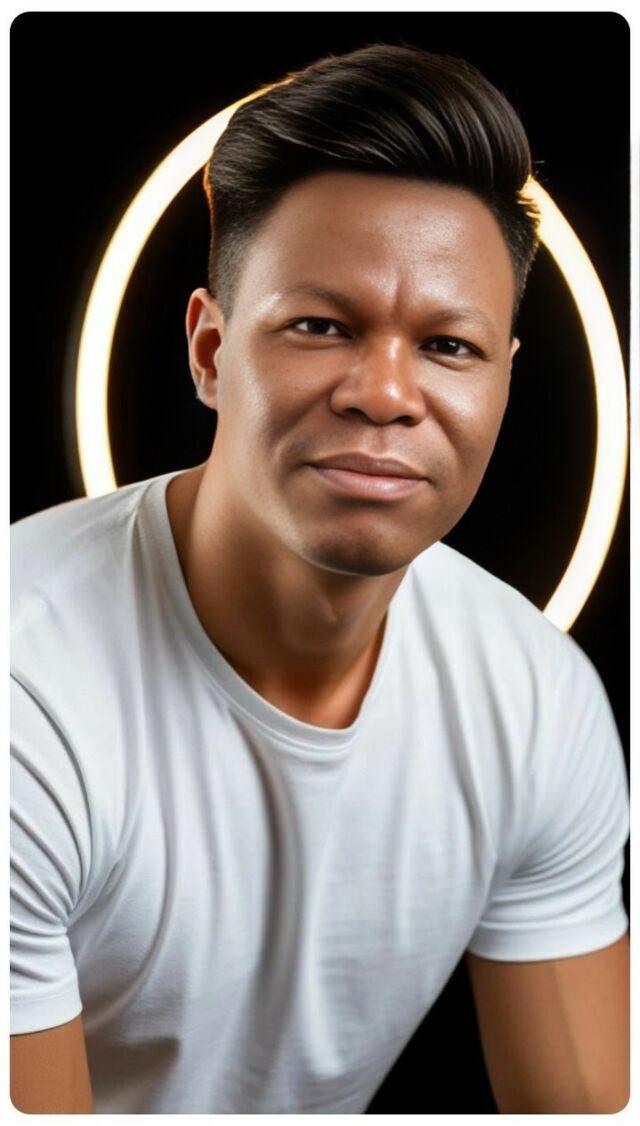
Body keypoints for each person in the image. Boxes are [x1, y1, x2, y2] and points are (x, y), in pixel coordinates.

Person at [10, 43, 630, 1114]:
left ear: (503, 383)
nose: (385, 393)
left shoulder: (534, 699)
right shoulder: (26, 692)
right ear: (210, 352)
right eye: (320, 326)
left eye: (448, 345)